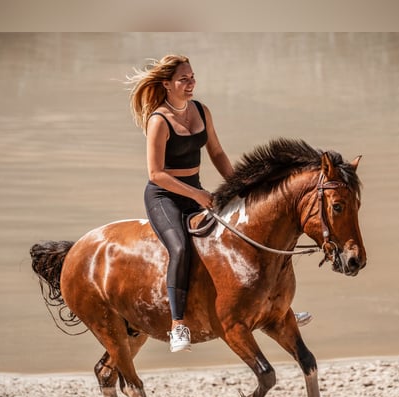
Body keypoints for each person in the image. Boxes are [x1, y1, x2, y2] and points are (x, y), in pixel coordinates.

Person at [126, 55, 311, 353]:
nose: (191, 84)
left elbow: (217, 152)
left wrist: (241, 187)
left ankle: (278, 309)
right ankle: (178, 324)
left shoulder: (201, 111)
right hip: (164, 198)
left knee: (239, 235)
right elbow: (156, 174)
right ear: (166, 84)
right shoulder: (159, 120)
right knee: (180, 248)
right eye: (183, 80)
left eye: (192, 77)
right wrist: (197, 195)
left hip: (195, 191)